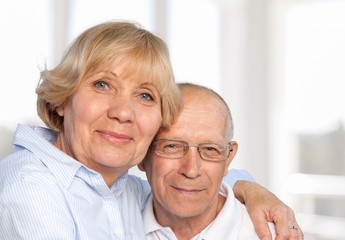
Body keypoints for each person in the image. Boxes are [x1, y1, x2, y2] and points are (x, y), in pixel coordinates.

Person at [0, 21, 300, 239]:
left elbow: (190, 182)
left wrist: (249, 189)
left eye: (145, 95)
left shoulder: (124, 190)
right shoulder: (30, 189)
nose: (122, 112)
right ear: (63, 99)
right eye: (102, 85)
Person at [139, 83, 303, 239]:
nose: (191, 170)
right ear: (142, 152)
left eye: (210, 149)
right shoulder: (120, 221)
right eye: (172, 146)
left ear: (228, 158)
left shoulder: (274, 236)